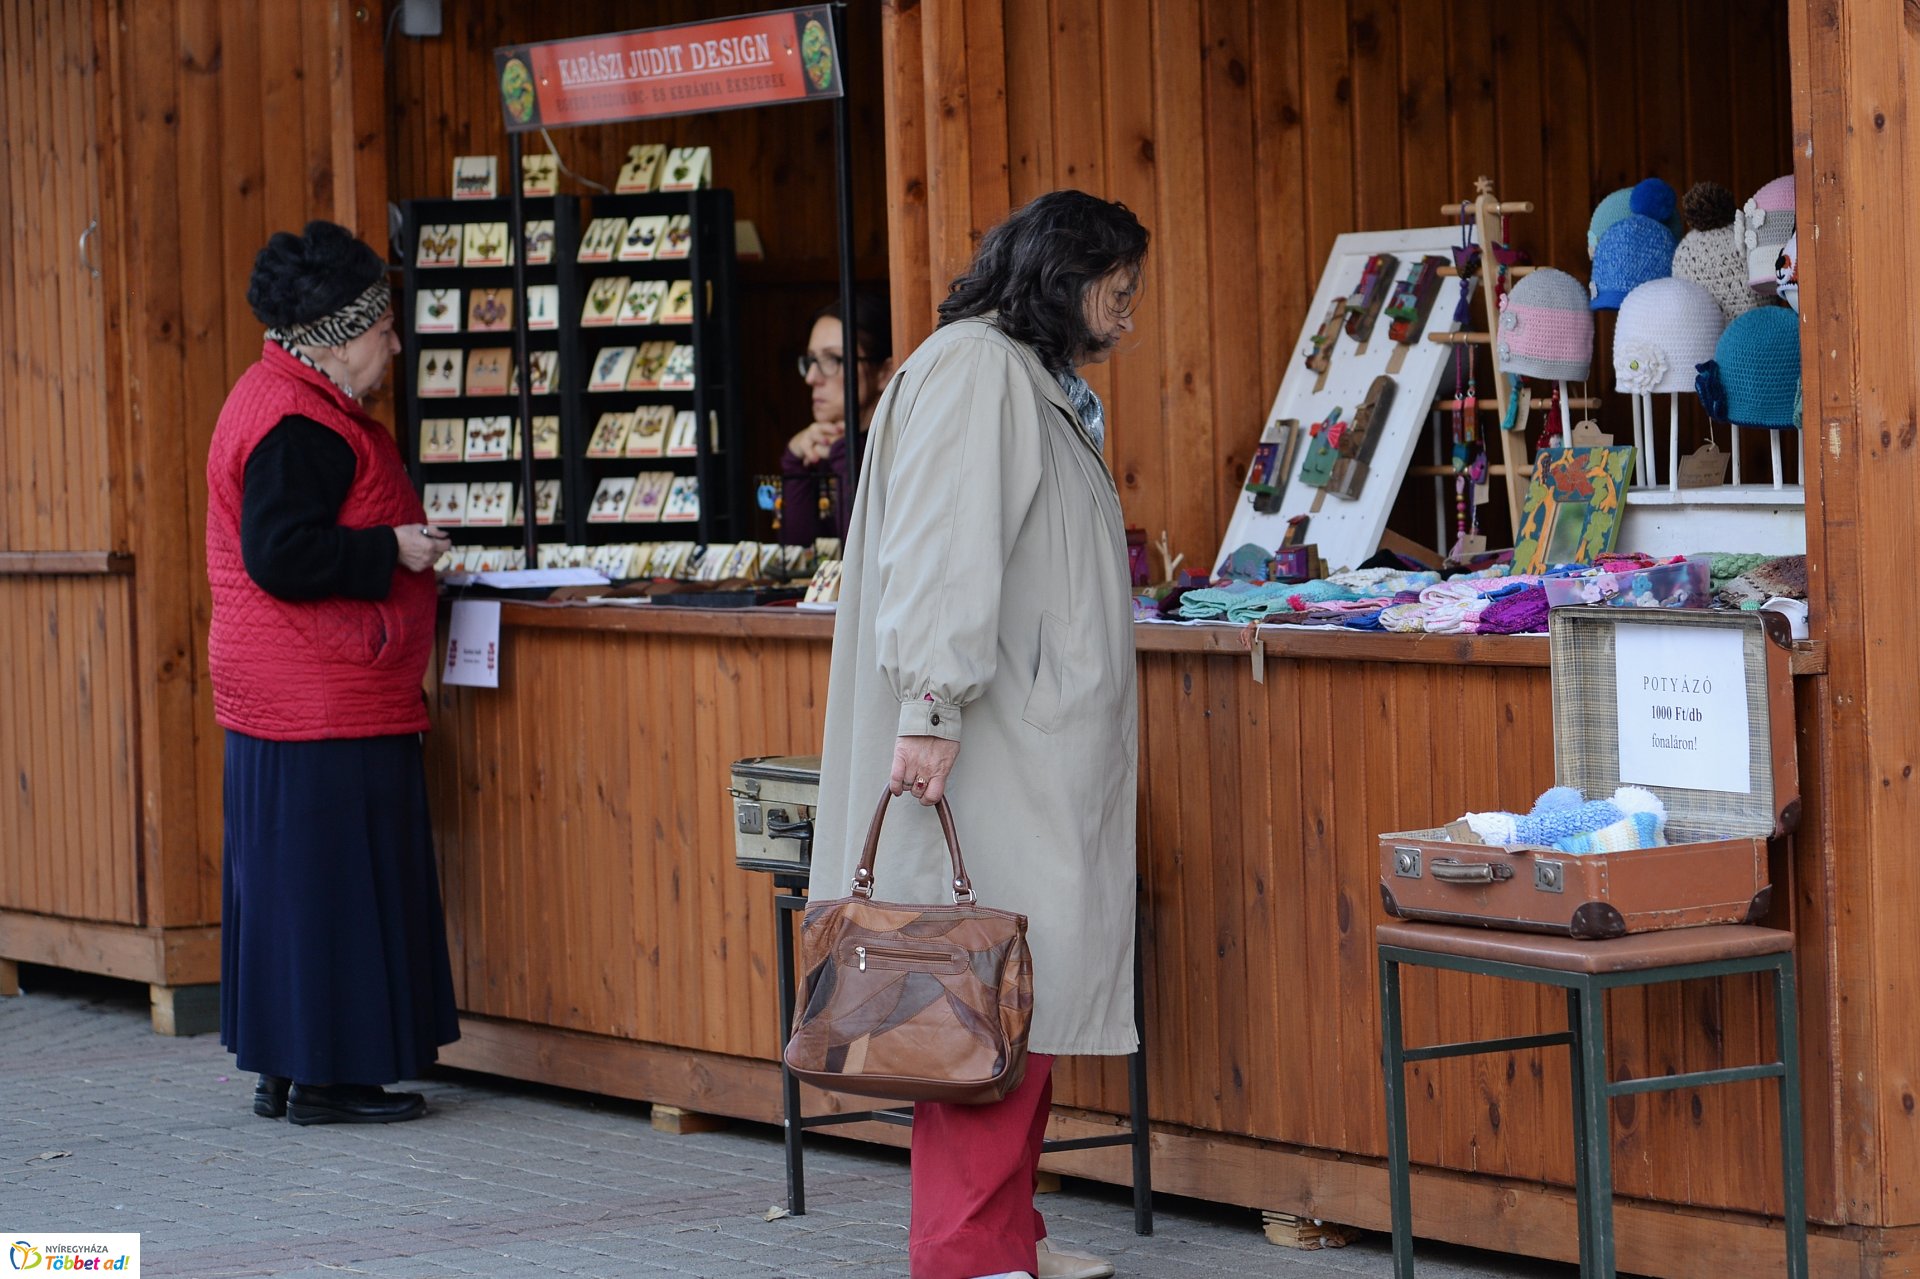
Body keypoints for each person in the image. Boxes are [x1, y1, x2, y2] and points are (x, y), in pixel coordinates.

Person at [810, 191, 1148, 1279]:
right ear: (1066, 276)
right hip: (997, 743)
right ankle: (964, 1252)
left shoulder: (1011, 375)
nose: (1128, 316)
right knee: (974, 1000)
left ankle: (1005, 1237)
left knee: (1009, 997)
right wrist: (931, 708)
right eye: (1119, 289)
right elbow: (948, 549)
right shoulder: (978, 372)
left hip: (1021, 737)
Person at [206, 220, 460, 1126]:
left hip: (290, 693)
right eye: (385, 325)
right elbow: (279, 552)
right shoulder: (299, 423)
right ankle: (332, 1079)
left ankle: (290, 1064)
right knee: (340, 888)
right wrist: (391, 546)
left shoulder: (277, 397)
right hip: (325, 692)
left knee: (295, 887)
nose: (395, 341)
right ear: (342, 334)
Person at [780, 289, 894, 545]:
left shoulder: (898, 450)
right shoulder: (820, 446)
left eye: (833, 359)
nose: (811, 378)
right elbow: (800, 555)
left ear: (885, 372)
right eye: (811, 360)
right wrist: (795, 463)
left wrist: (846, 457)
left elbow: (864, 555)